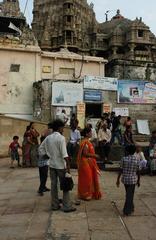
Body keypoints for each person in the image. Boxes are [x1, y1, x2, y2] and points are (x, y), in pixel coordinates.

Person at [39, 119, 76, 212]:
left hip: (51, 165)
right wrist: (68, 168)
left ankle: (54, 205)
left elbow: (40, 149)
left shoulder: (48, 138)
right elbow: (65, 155)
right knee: (65, 185)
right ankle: (67, 206)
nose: (63, 130)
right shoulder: (61, 138)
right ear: (59, 128)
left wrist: (47, 155)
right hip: (60, 166)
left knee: (53, 185)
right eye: (63, 128)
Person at [77, 127, 102, 200]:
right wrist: (95, 155)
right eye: (90, 132)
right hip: (85, 163)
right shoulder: (85, 142)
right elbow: (85, 153)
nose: (91, 133)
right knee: (87, 179)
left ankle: (89, 193)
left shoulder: (87, 141)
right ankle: (85, 194)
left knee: (89, 178)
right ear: (87, 134)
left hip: (87, 163)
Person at [116, 145, 140, 216]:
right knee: (130, 194)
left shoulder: (123, 159)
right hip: (132, 180)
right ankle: (127, 210)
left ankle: (131, 207)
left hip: (125, 180)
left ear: (127, 151)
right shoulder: (137, 159)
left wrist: (117, 180)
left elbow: (120, 170)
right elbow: (138, 171)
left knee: (129, 194)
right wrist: (138, 180)